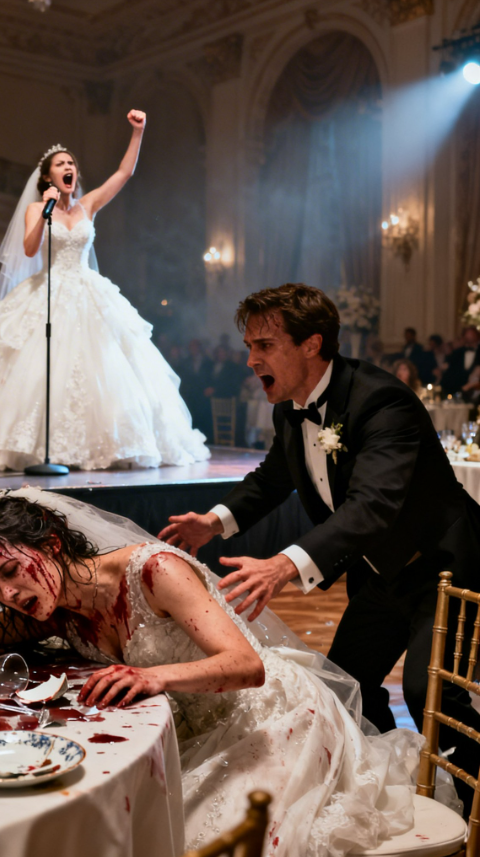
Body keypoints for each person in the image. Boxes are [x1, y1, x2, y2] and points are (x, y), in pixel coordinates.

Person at [0, 487, 423, 857]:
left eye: (9, 572)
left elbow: (247, 667)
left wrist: (155, 677)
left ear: (51, 543)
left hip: (273, 719)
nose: (8, 593)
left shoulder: (155, 571)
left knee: (197, 840)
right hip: (187, 730)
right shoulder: (57, 603)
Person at [159, 283, 480, 813]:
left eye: (264, 345)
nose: (250, 359)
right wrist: (212, 523)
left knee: (432, 695)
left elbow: (372, 505)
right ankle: (390, 780)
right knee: (346, 686)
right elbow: (272, 478)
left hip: (440, 568)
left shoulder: (382, 400)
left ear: (311, 344)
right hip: (380, 572)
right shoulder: (291, 408)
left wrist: (283, 565)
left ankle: (472, 803)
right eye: (249, 346)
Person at [0, 111, 209, 471]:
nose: (68, 167)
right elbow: (30, 248)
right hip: (47, 291)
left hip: (88, 292)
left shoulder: (88, 205)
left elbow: (124, 173)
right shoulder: (38, 208)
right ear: (48, 176)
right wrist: (46, 209)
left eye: (71, 164)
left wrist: (138, 132)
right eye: (60, 164)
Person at [441, 326, 480, 396]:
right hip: (457, 390)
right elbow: (450, 372)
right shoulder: (457, 353)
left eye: (471, 334)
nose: (469, 336)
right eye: (467, 334)